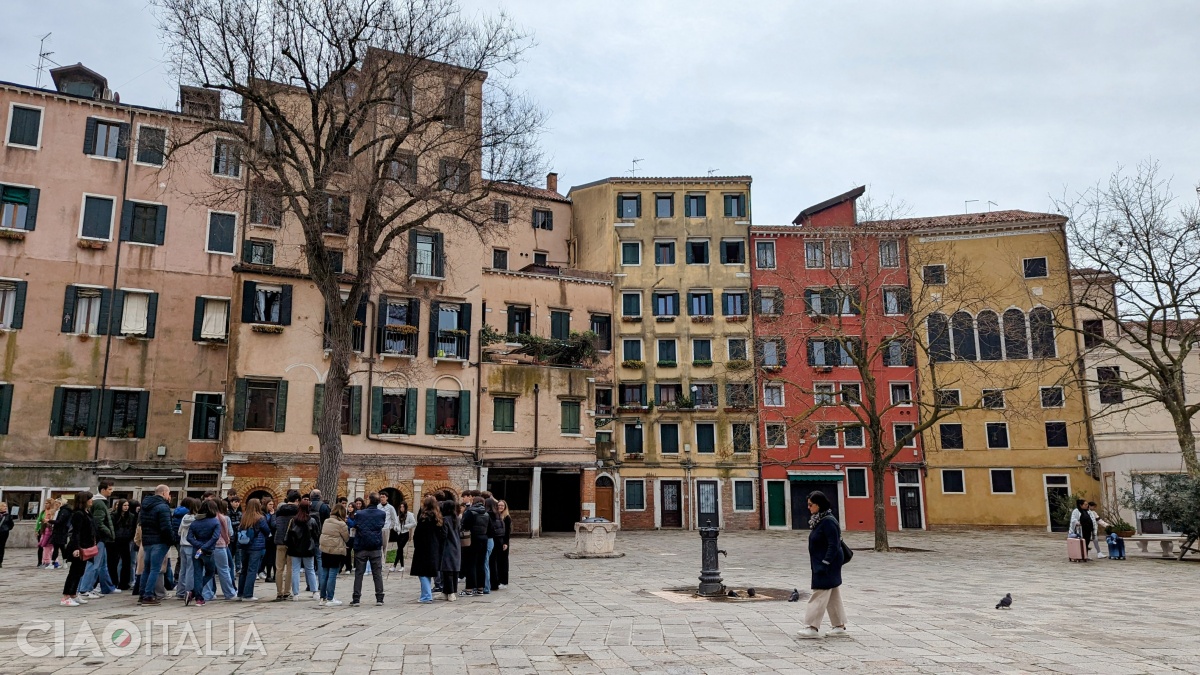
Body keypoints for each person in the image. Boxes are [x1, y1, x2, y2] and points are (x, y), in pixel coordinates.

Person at [799, 491, 849, 639]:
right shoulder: (820, 520)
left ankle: (812, 627)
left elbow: (833, 545)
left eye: (810, 505)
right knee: (833, 594)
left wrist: (825, 563)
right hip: (824, 563)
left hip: (827, 564)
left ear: (819, 505)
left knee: (819, 594)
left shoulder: (828, 521)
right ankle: (839, 626)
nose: (808, 507)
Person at [78, 479, 117, 597]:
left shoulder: (99, 502)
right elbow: (98, 522)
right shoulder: (99, 503)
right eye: (109, 490)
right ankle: (85, 589)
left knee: (102, 565)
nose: (111, 492)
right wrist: (109, 532)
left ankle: (107, 587)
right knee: (94, 564)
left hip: (100, 538)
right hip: (99, 538)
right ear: (103, 490)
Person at [138, 485, 175, 606]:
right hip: (159, 541)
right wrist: (171, 540)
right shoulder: (163, 507)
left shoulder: (145, 506)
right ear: (164, 493)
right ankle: (148, 595)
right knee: (155, 569)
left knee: (146, 569)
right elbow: (166, 527)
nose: (169, 496)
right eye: (169, 493)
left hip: (147, 540)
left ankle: (142, 593)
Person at [350, 492, 386, 607]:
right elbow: (381, 525)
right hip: (375, 545)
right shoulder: (381, 514)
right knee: (377, 573)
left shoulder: (360, 513)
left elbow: (354, 525)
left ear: (369, 500)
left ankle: (356, 598)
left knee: (359, 573)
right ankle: (379, 598)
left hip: (361, 545)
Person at [61, 492, 96, 607]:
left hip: (86, 545)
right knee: (74, 572)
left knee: (80, 571)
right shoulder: (78, 514)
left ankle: (73, 594)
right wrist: (76, 548)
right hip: (78, 546)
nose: (92, 501)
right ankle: (66, 596)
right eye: (90, 499)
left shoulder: (87, 512)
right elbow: (76, 532)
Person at [185, 499, 222, 607]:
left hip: (196, 550)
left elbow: (189, 537)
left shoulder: (195, 522)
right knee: (210, 573)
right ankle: (195, 593)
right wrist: (204, 547)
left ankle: (198, 598)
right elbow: (215, 537)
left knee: (197, 573)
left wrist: (198, 545)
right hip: (208, 551)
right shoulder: (215, 522)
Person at [237, 498, 272, 601]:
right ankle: (248, 594)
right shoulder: (260, 518)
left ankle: (240, 593)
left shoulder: (244, 517)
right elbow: (267, 530)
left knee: (244, 570)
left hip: (244, 545)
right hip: (256, 547)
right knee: (252, 570)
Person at [409, 495, 442, 603]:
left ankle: (426, 596)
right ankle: (425, 594)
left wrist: (416, 544)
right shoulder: (438, 518)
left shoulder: (424, 518)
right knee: (427, 571)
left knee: (422, 572)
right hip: (434, 546)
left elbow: (418, 534)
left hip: (423, 547)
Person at [286, 501, 321, 601]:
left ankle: (296, 594)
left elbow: (288, 535)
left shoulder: (293, 520)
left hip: (295, 548)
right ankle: (315, 592)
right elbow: (316, 535)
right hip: (308, 548)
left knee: (295, 570)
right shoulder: (312, 520)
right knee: (310, 570)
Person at [318, 503, 350, 606]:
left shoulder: (326, 521)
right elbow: (346, 538)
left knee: (324, 574)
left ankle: (322, 598)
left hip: (325, 550)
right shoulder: (341, 524)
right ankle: (330, 598)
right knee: (332, 575)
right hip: (336, 551)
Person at [273, 490, 300, 600]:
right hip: (292, 542)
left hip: (279, 540)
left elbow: (275, 524)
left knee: (279, 568)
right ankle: (287, 591)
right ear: (297, 500)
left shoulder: (279, 510)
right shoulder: (298, 511)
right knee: (290, 568)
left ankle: (279, 591)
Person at [461, 496, 489, 596]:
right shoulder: (486, 513)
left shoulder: (470, 512)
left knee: (470, 564)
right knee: (481, 564)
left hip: (472, 540)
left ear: (473, 502)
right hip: (483, 539)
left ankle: (469, 589)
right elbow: (489, 528)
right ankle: (480, 588)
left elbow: (465, 525)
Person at [211, 499, 237, 600]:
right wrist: (227, 541)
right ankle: (229, 592)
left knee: (208, 571)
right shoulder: (222, 518)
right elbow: (228, 533)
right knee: (224, 569)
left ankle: (209, 592)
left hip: (207, 546)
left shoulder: (206, 517)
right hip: (220, 545)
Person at [174, 498, 200, 600]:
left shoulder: (185, 517)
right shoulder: (196, 519)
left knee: (183, 570)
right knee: (190, 569)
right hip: (191, 545)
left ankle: (180, 591)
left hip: (182, 545)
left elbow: (180, 532)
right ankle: (188, 592)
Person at [437, 492, 461, 600]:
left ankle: (450, 592)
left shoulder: (445, 519)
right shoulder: (457, 519)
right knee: (454, 570)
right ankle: (448, 591)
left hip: (447, 547)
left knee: (447, 570)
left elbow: (443, 534)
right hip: (457, 546)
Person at [109, 500, 136, 590]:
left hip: (126, 540)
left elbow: (133, 528)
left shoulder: (131, 516)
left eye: (127, 505)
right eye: (124, 505)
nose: (126, 507)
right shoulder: (114, 516)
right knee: (114, 562)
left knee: (126, 562)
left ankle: (124, 583)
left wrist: (130, 536)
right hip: (116, 541)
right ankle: (114, 582)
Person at [389, 501, 416, 573]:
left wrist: (405, 526)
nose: (402, 508)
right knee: (400, 550)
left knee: (399, 549)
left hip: (405, 533)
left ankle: (395, 565)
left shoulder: (409, 515)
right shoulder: (398, 516)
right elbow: (396, 524)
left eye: (403, 507)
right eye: (400, 507)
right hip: (399, 534)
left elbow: (414, 523)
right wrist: (396, 528)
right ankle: (401, 566)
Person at [483, 497, 502, 593]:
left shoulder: (487, 515)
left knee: (488, 563)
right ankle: (495, 583)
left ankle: (489, 584)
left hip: (490, 539)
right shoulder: (497, 514)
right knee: (493, 562)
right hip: (497, 539)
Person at [36, 498, 61, 569]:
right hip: (44, 530)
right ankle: (52, 561)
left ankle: (48, 562)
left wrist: (47, 521)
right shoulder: (43, 511)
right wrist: (37, 529)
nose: (45, 504)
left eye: (47, 503)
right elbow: (39, 520)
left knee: (47, 547)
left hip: (48, 532)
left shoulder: (53, 512)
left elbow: (51, 522)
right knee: (48, 548)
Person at [493, 500, 512, 590]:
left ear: (505, 507)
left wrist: (505, 543)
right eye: (499, 505)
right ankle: (499, 580)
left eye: (502, 505)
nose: (500, 507)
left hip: (503, 542)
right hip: (497, 541)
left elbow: (507, 532)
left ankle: (504, 581)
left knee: (503, 562)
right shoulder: (496, 516)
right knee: (498, 561)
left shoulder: (506, 517)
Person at [378, 492, 400, 568]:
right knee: (379, 545)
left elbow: (394, 519)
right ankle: (381, 562)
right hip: (379, 529)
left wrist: (391, 526)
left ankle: (383, 561)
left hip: (386, 528)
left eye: (383, 497)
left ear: (387, 498)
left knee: (385, 546)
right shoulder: (378, 507)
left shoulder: (390, 508)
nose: (382, 498)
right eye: (381, 497)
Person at [262, 498, 276, 583]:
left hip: (273, 537)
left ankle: (275, 574)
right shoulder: (264, 514)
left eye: (272, 504)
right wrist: (272, 516)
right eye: (270, 504)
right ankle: (268, 575)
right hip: (267, 538)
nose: (272, 506)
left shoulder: (274, 513)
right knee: (269, 557)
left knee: (274, 557)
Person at [0, 501, 13, 568]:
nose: (5, 508)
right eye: (3, 506)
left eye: (6, 506)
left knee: (1, 547)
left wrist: (7, 529)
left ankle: (0, 561)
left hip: (4, 533)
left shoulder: (8, 516)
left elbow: (11, 525)